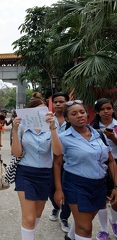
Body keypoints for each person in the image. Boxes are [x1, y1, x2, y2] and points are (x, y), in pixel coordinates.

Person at [54, 100, 117, 240]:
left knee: (86, 219)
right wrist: (58, 189)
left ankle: (70, 236)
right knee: (86, 228)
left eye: (82, 112)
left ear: (87, 114)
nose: (79, 115)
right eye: (74, 114)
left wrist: (116, 186)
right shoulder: (63, 138)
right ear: (67, 118)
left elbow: (111, 161)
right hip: (76, 185)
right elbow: (57, 164)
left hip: (100, 185)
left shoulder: (99, 134)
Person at [11, 92, 62, 240]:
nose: (42, 114)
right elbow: (16, 153)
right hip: (25, 173)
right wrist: (14, 130)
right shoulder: (21, 126)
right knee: (29, 218)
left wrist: (53, 128)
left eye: (45, 110)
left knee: (37, 215)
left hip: (45, 174)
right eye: (38, 111)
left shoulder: (52, 124)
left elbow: (58, 151)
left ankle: (28, 234)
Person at [90, 98, 117, 240]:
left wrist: (113, 138)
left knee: (115, 197)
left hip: (115, 163)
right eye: (102, 109)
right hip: (100, 164)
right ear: (97, 112)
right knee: (101, 199)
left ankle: (114, 222)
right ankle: (104, 229)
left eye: (109, 108)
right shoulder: (92, 127)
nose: (106, 112)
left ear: (113, 109)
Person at [47, 92, 71, 233]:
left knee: (66, 191)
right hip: (50, 162)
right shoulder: (48, 119)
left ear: (67, 103)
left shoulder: (73, 119)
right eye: (55, 101)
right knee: (51, 189)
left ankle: (64, 216)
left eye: (61, 101)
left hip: (68, 163)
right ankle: (56, 207)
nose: (57, 104)